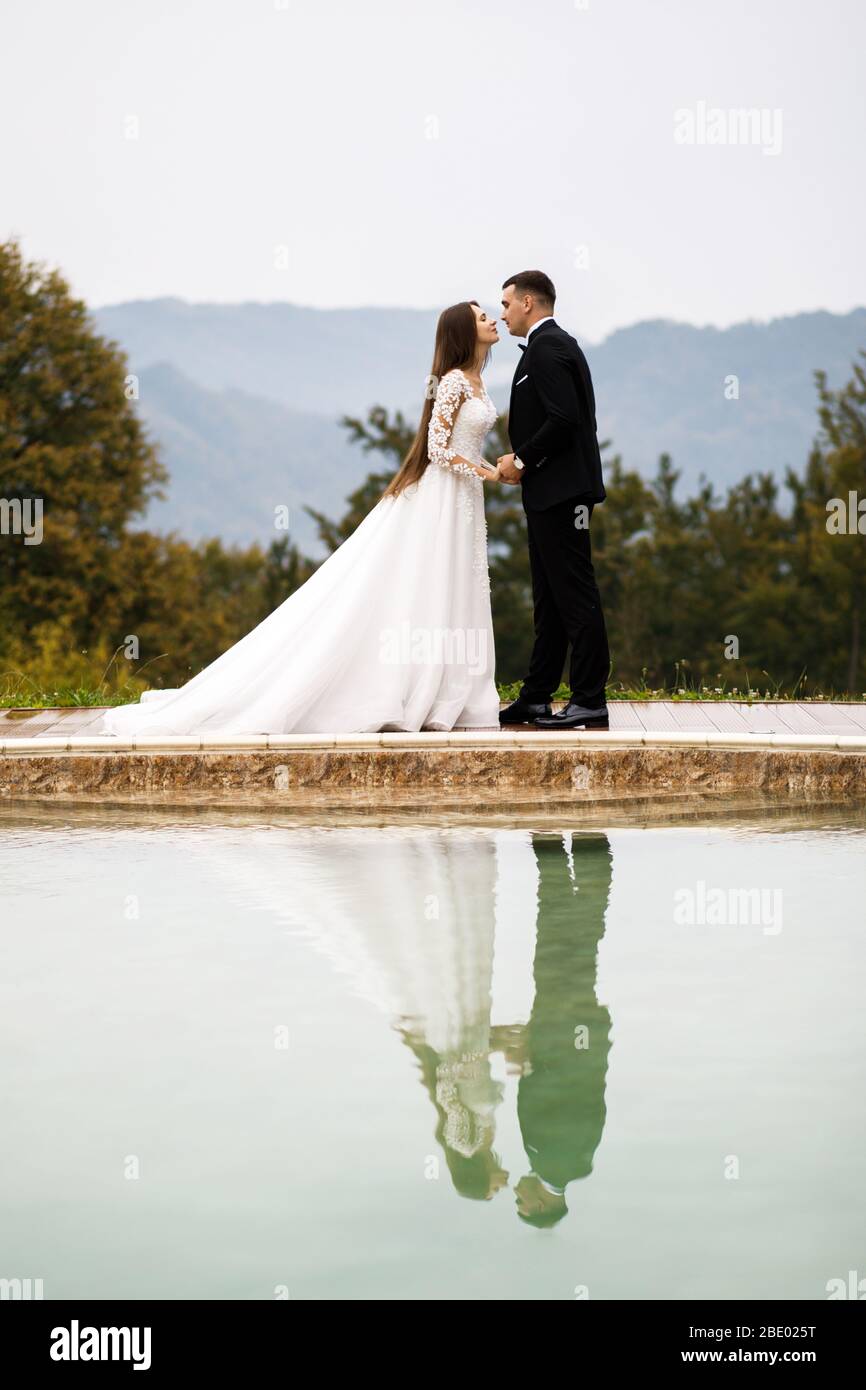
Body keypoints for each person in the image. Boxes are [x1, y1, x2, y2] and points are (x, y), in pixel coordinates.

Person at [101, 302, 503, 737]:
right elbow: (438, 449)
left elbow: (461, 443)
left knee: (459, 583)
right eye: (482, 317)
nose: (492, 320)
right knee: (424, 585)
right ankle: (416, 686)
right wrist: (488, 472)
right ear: (464, 332)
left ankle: (456, 688)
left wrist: (494, 468)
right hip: (441, 497)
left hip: (464, 497)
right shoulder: (453, 383)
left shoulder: (479, 382)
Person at [496, 270, 611, 731]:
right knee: (549, 599)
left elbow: (564, 419)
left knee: (575, 595)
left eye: (505, 305)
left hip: (562, 495)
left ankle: (589, 698)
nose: (502, 314)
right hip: (550, 494)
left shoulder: (549, 347)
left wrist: (520, 460)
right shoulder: (552, 346)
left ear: (528, 302)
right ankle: (537, 695)